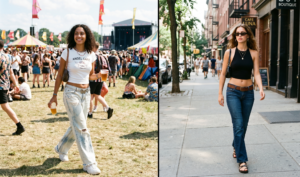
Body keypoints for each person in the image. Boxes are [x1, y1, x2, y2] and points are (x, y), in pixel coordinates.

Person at [48, 24, 101, 175]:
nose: (79, 36)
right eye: (76, 33)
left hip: (86, 93)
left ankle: (61, 148)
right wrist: (54, 95)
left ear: (87, 36)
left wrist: (98, 76)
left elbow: (90, 75)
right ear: (73, 36)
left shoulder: (91, 54)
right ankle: (89, 163)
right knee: (82, 128)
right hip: (71, 92)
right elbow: (59, 75)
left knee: (77, 125)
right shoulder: (67, 52)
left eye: (82, 34)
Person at [218, 24, 265, 173]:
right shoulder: (229, 52)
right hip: (233, 92)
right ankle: (242, 160)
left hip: (249, 93)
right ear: (234, 37)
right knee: (238, 125)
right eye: (237, 34)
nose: (239, 35)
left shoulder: (254, 53)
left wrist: (261, 88)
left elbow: (256, 73)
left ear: (248, 35)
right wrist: (220, 93)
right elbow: (223, 74)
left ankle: (235, 145)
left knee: (243, 125)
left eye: (242, 33)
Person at [0, 40, 25, 135]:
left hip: (1, 86)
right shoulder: (8, 57)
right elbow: (10, 72)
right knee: (5, 106)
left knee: (5, 106)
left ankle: (19, 126)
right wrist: (15, 84)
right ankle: (19, 126)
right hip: (5, 85)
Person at [88, 42, 113, 119]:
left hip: (93, 78)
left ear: (93, 47)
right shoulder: (103, 56)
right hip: (101, 79)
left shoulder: (92, 56)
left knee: (90, 96)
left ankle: (90, 113)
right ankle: (108, 108)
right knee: (97, 95)